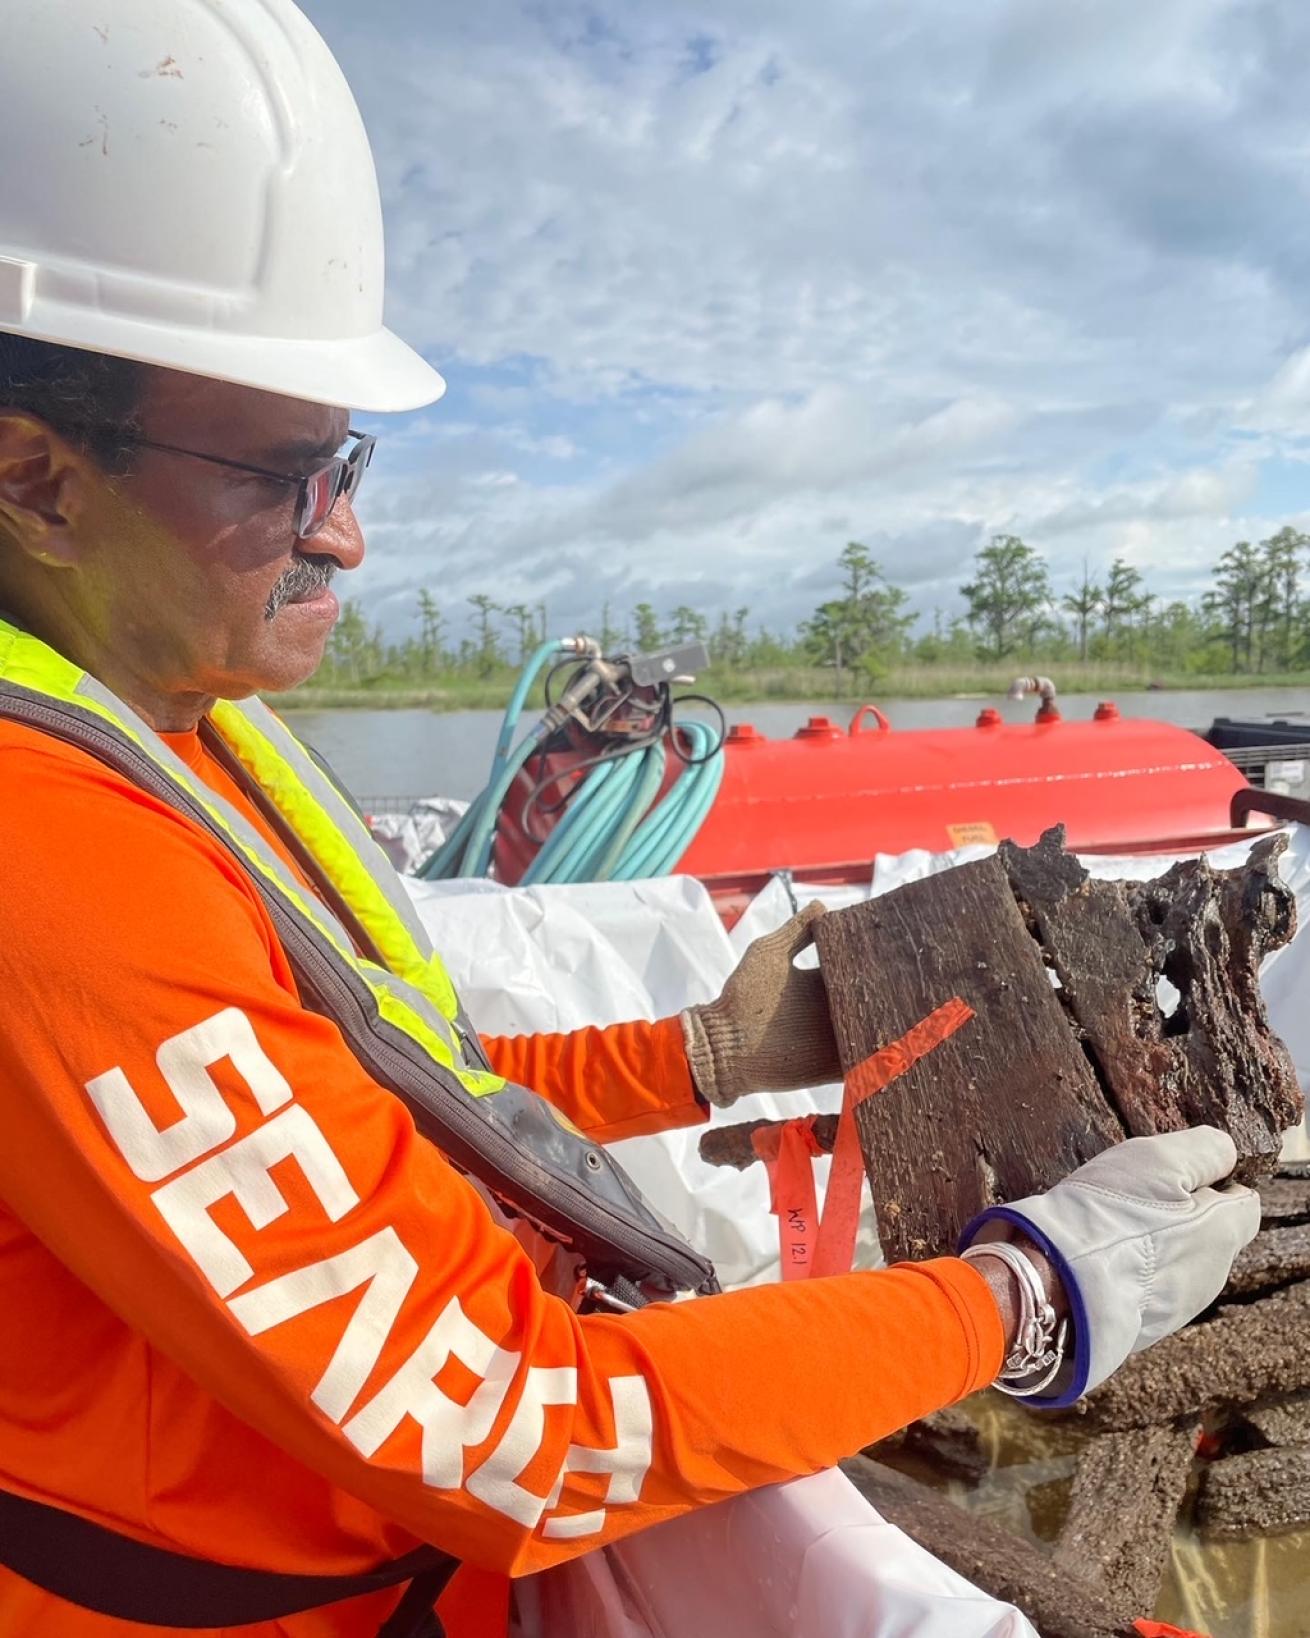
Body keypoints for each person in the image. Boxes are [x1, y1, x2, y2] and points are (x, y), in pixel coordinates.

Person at [0, 4, 1262, 1636]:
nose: (353, 539)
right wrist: (1015, 1298)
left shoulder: (159, 723)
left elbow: (364, 1117)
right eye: (291, 472)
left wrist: (707, 1061)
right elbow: (524, 1431)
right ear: (34, 476)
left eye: (353, 460)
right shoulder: (56, 863)